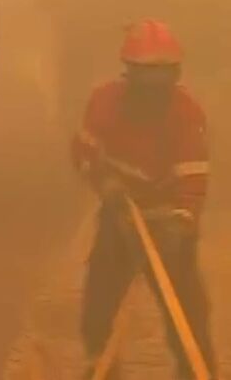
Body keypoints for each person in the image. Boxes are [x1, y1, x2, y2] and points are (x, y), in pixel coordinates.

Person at [72, 19, 217, 379]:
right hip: (120, 215)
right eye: (147, 77)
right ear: (130, 74)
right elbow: (84, 153)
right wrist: (104, 182)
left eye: (162, 77)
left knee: (188, 316)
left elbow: (193, 180)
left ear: (175, 75)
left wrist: (179, 224)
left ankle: (198, 373)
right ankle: (100, 368)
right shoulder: (104, 103)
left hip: (170, 222)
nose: (155, 88)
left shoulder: (186, 114)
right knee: (98, 309)